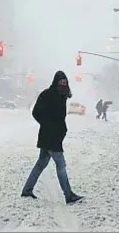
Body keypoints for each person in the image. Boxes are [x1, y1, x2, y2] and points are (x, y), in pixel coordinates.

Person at [21, 71, 84, 204]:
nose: (63, 84)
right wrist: (48, 125)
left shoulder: (62, 96)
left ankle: (27, 190)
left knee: (41, 163)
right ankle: (69, 195)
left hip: (52, 136)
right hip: (51, 137)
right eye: (60, 82)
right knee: (61, 165)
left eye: (65, 82)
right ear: (55, 82)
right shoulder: (47, 94)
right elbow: (36, 112)